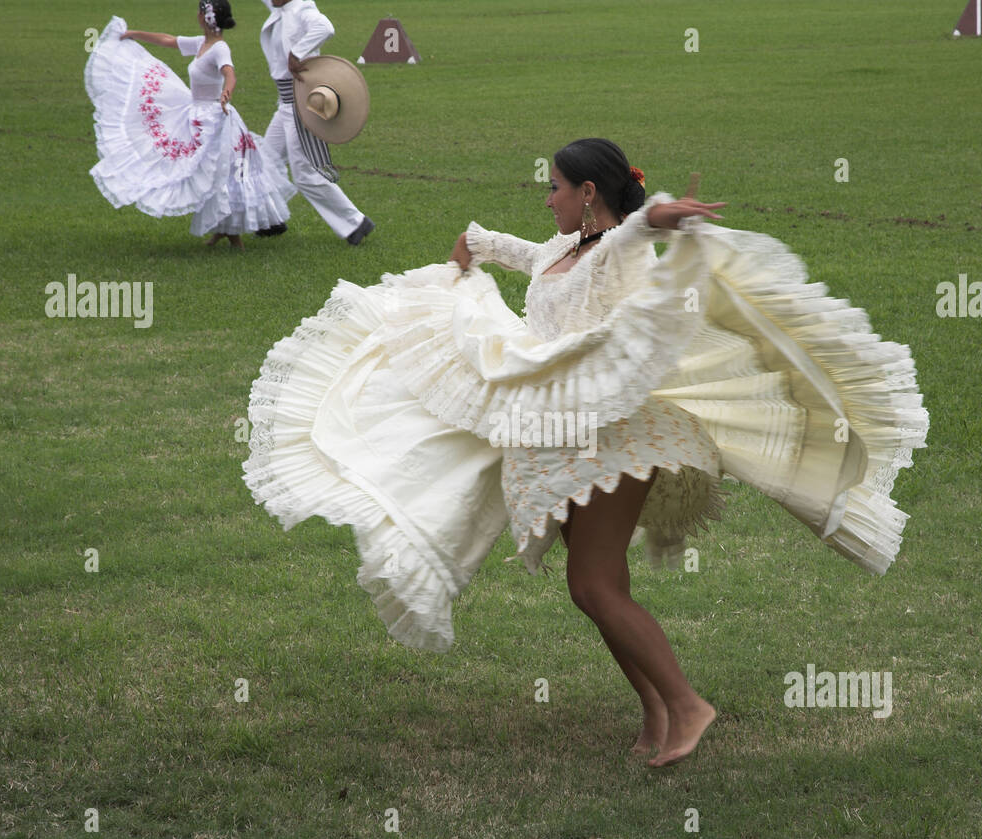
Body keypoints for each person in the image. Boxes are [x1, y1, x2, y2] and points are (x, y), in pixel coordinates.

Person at [243, 138, 929, 767]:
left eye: (556, 188)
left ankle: (688, 705)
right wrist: (468, 250)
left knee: (592, 582)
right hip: (559, 433)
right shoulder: (554, 252)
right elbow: (500, 246)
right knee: (597, 585)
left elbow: (640, 230)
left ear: (590, 194)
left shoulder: (612, 250)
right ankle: (659, 713)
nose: (548, 199)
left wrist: (660, 214)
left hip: (614, 432)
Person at [85, 3, 296, 248]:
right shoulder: (201, 44)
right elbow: (169, 41)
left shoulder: (219, 48)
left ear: (203, 18)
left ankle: (233, 235)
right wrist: (135, 34)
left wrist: (226, 94)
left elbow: (230, 73)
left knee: (221, 173)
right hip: (195, 114)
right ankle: (223, 230)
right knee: (209, 173)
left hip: (215, 118)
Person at [257, 0, 374, 245]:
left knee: (305, 175)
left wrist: (297, 52)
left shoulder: (302, 8)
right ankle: (271, 219)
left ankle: (356, 222)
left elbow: (325, 27)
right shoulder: (280, 7)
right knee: (266, 160)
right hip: (285, 105)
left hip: (302, 104)